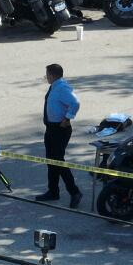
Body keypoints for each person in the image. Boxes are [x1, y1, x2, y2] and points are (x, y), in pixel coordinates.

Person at [35, 64, 82, 208]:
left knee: (58, 161)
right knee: (51, 161)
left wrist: (67, 118)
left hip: (60, 129)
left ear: (52, 75)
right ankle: (53, 191)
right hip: (51, 128)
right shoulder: (54, 86)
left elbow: (75, 103)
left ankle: (75, 192)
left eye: (47, 75)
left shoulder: (61, 88)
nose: (46, 77)